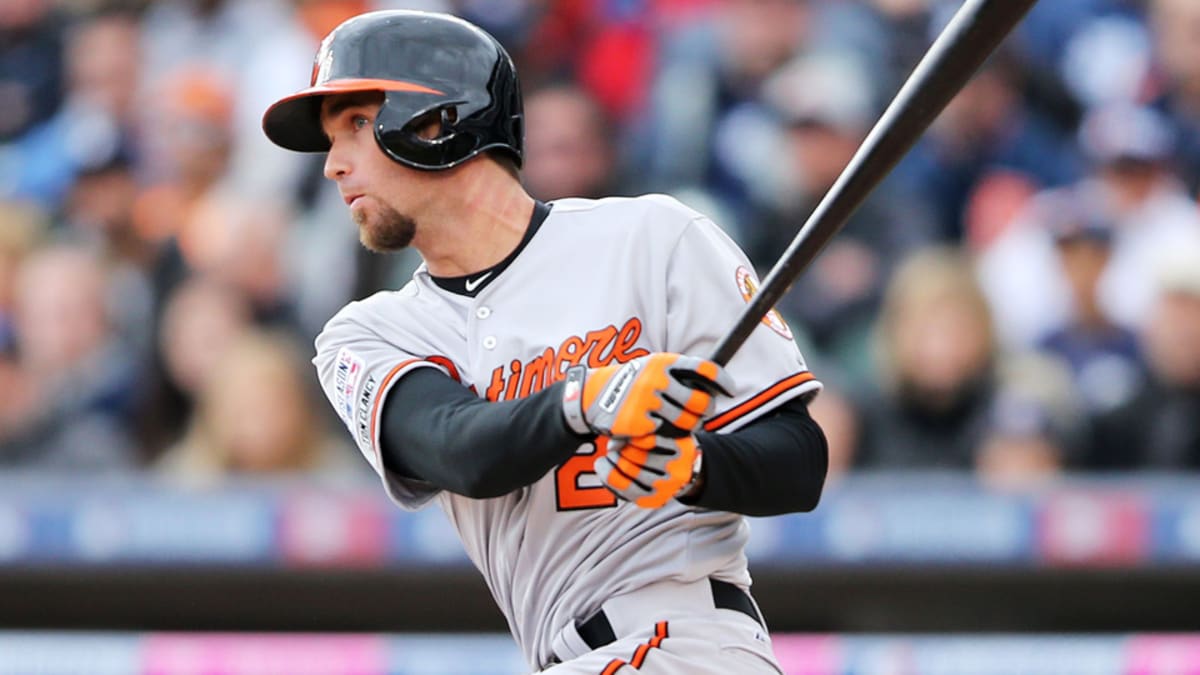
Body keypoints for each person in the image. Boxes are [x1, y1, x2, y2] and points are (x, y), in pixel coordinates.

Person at [261, 10, 827, 674]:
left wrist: (695, 466)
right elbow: (458, 448)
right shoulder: (367, 333)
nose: (332, 165)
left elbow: (797, 457)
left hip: (684, 638)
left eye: (355, 125)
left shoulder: (654, 238)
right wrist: (589, 399)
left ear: (437, 120)